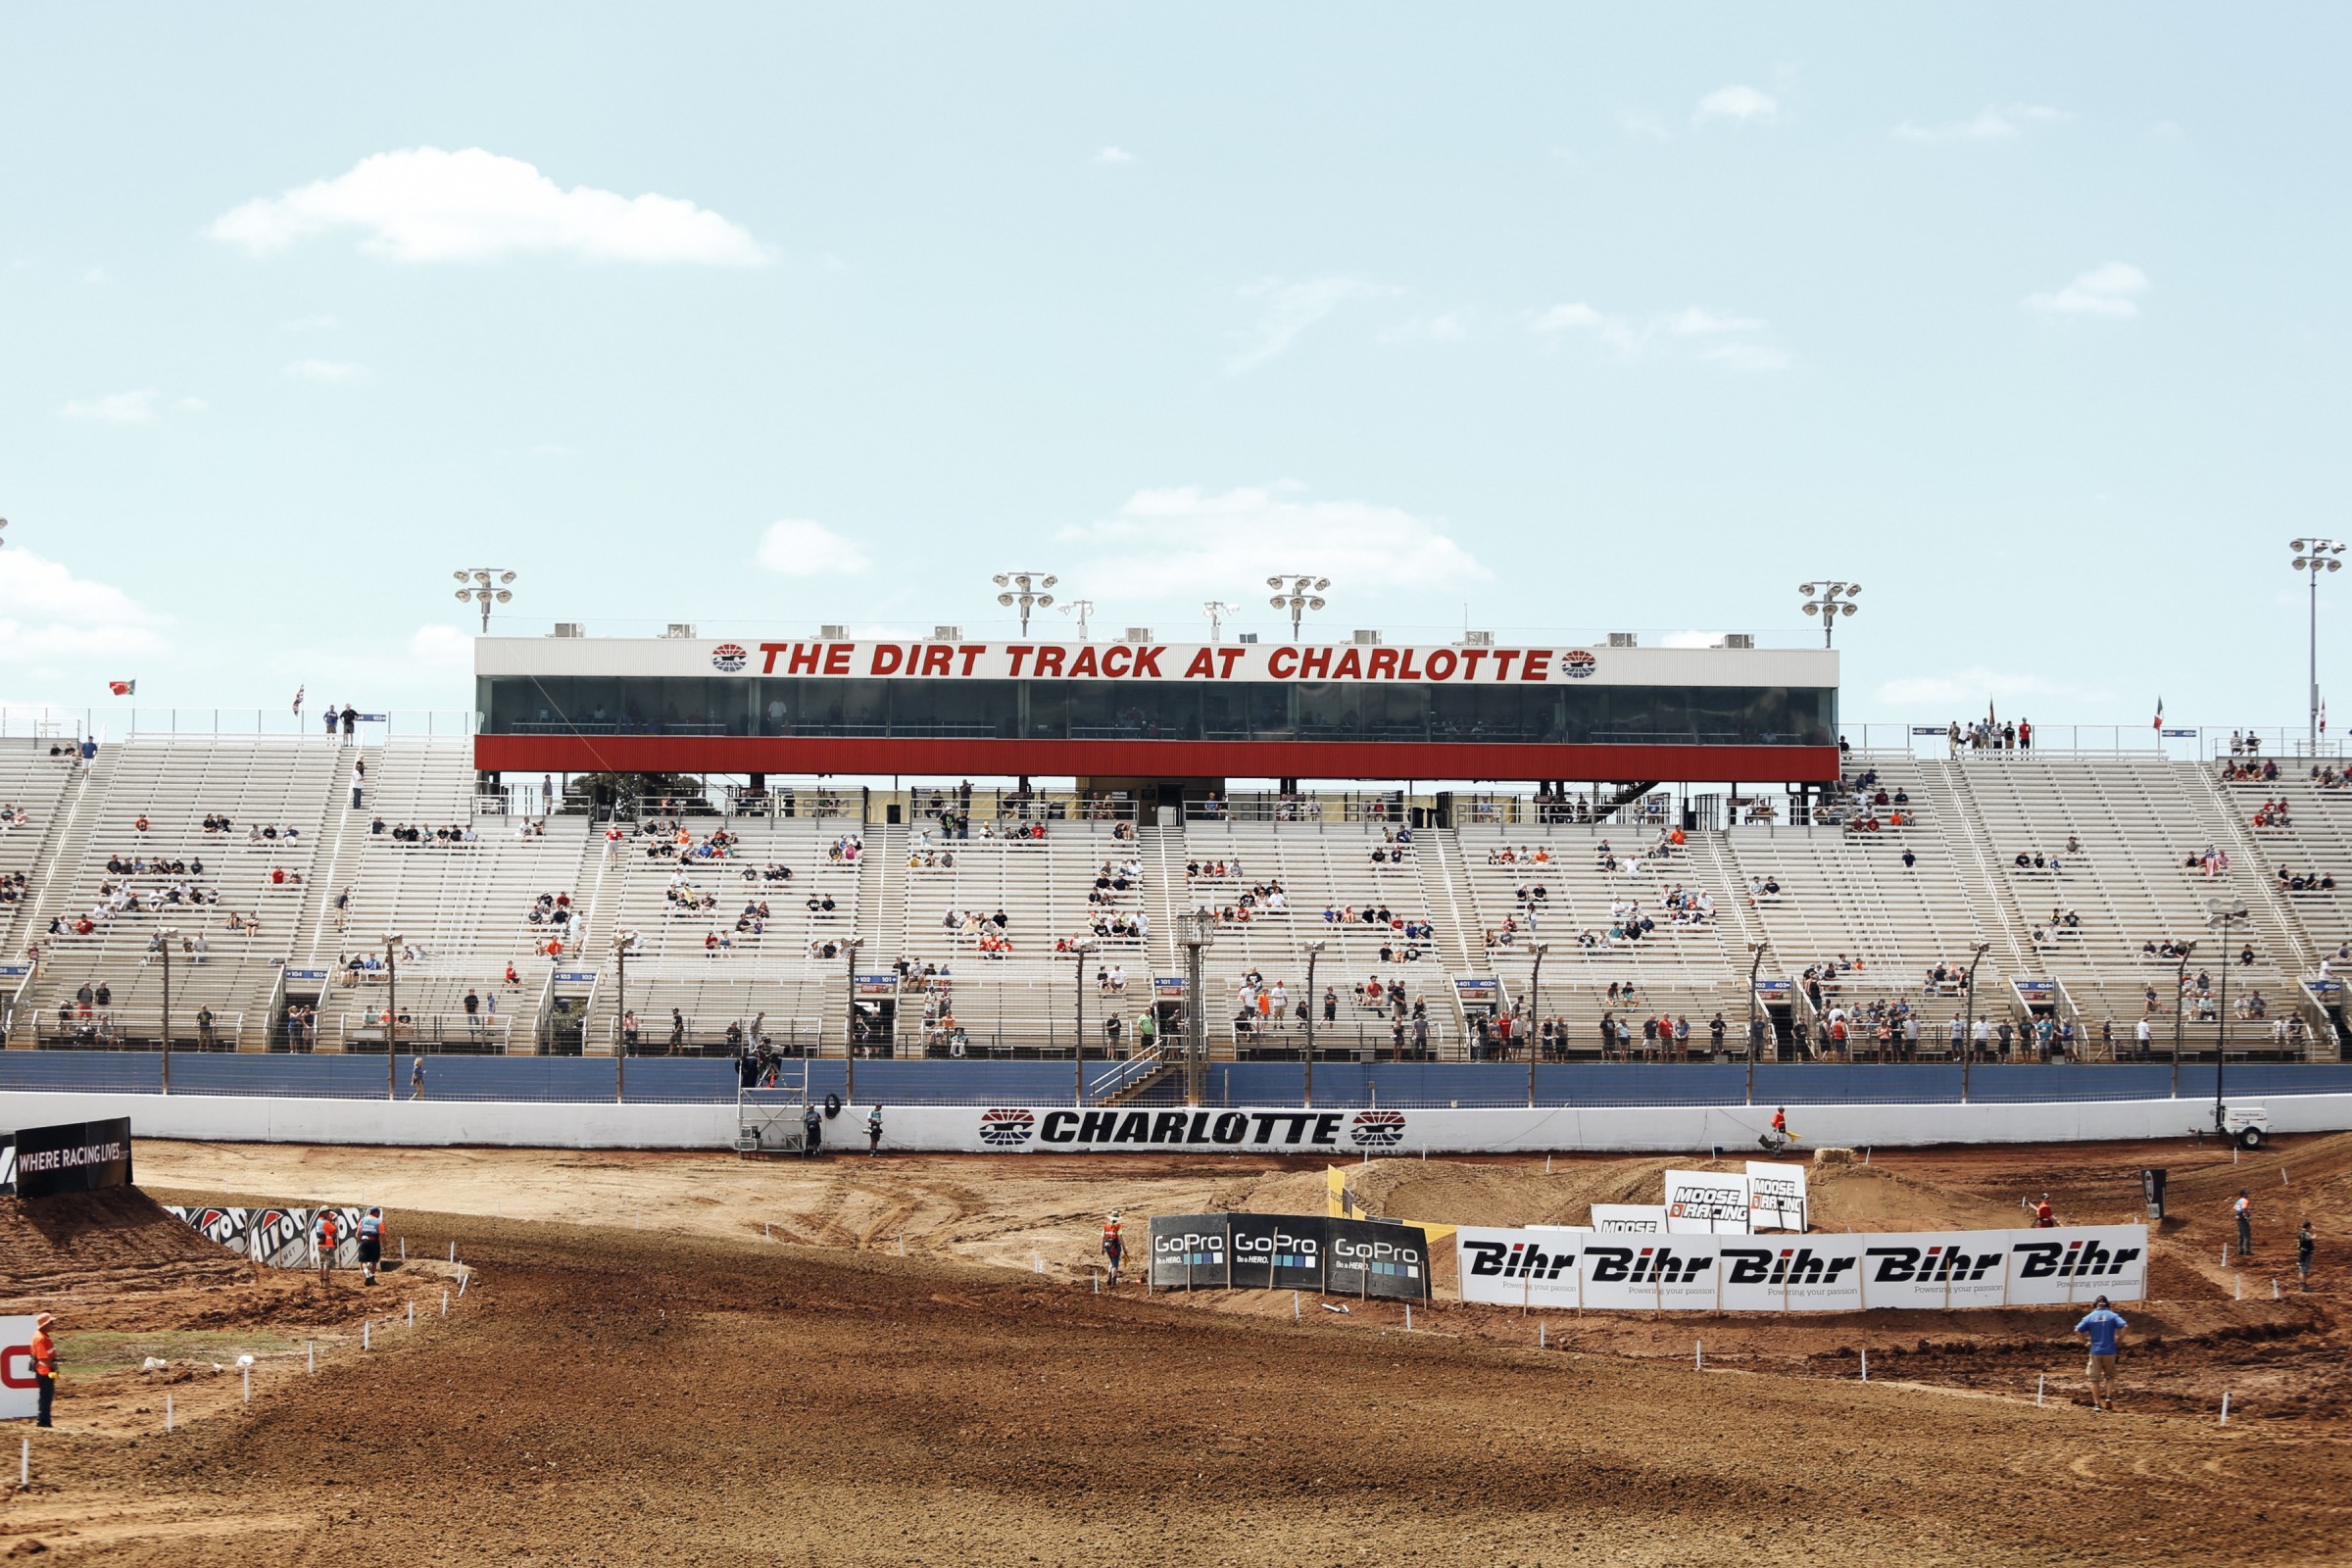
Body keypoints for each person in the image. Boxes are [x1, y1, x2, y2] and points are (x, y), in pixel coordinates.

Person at [2075, 1296, 2129, 1411]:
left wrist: (2085, 1342)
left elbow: (2077, 1330)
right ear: (2107, 1305)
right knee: (2110, 1376)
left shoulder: (2089, 1317)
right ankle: (2108, 1397)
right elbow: (2125, 1326)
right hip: (2110, 1350)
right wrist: (2119, 1340)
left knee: (2095, 1379)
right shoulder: (2112, 1315)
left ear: (2095, 1305)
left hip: (2095, 1351)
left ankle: (2097, 1404)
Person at [28, 1311, 57, 1428]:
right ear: (44, 1325)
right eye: (51, 1323)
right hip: (44, 1371)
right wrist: (54, 1366)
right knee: (46, 1397)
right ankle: (44, 1422)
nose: (53, 1325)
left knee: (46, 1396)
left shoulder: (41, 1336)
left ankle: (44, 1421)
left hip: (45, 1370)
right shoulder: (40, 1338)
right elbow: (43, 1358)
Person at [358, 1206, 385, 1285]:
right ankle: (372, 1278)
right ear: (376, 1213)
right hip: (374, 1241)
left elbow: (358, 1232)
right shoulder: (378, 1221)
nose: (379, 1214)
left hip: (364, 1241)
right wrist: (384, 1244)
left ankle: (367, 1274)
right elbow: (382, 1234)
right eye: (378, 1213)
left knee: (363, 1261)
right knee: (374, 1261)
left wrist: (359, 1240)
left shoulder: (363, 1220)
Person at [316, 1208, 341, 1284]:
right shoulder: (326, 1222)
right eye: (327, 1212)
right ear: (322, 1213)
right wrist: (332, 1221)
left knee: (321, 1263)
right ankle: (326, 1281)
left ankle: (321, 1281)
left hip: (321, 1244)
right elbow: (335, 1230)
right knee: (328, 1264)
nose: (328, 1214)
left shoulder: (318, 1221)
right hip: (328, 1244)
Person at [1102, 1210, 1124, 1286]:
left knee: (1112, 1261)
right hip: (1115, 1246)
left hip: (1107, 1246)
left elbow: (1103, 1238)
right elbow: (1120, 1238)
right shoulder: (1118, 1227)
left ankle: (1109, 1279)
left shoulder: (1106, 1226)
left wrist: (1102, 1248)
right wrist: (1124, 1248)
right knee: (1115, 1264)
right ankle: (1114, 1283)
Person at [2235, 1189, 2253, 1258]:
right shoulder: (2245, 1200)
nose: (2247, 1195)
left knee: (2241, 1235)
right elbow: (2245, 1208)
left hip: (2238, 1218)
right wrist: (2247, 1216)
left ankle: (2240, 1250)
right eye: (2246, 1194)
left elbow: (2236, 1209)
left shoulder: (2238, 1201)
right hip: (2243, 1218)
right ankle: (2247, 1250)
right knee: (2246, 1235)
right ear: (2243, 1195)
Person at [2298, 1218, 2316, 1290]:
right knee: (2304, 1270)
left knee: (2303, 1269)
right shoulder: (2305, 1233)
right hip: (2306, 1254)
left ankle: (2303, 1284)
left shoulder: (2301, 1233)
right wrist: (2314, 1232)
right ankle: (2303, 1285)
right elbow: (2312, 1238)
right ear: (2308, 1226)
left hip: (2303, 1253)